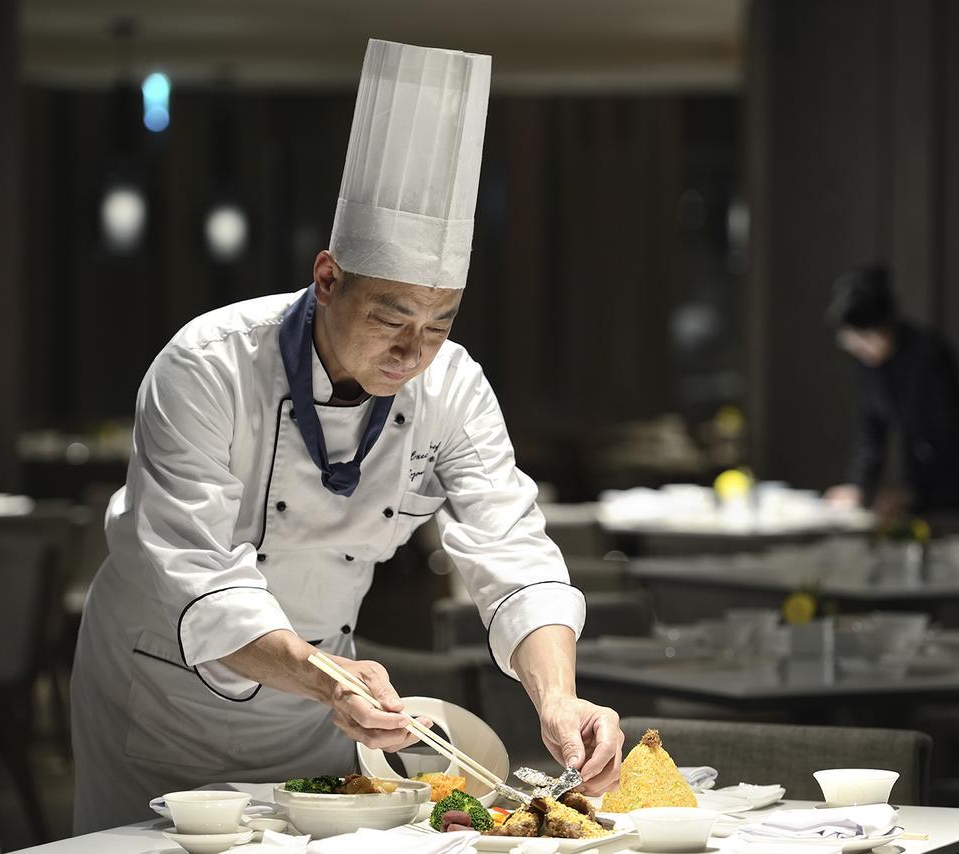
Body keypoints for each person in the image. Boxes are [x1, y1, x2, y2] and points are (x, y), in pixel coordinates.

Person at [71, 39, 623, 833]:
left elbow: (514, 555)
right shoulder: (209, 365)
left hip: (319, 709)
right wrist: (327, 679)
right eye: (392, 318)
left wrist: (558, 696)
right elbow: (194, 576)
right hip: (163, 701)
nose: (414, 352)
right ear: (327, 278)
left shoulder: (452, 386)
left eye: (439, 323)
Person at [823, 266, 959, 519]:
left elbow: (945, 430)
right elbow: (870, 428)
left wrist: (911, 492)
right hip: (918, 486)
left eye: (865, 339)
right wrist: (858, 486)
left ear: (885, 329)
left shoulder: (927, 353)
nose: (860, 349)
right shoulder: (867, 364)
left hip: (957, 484)